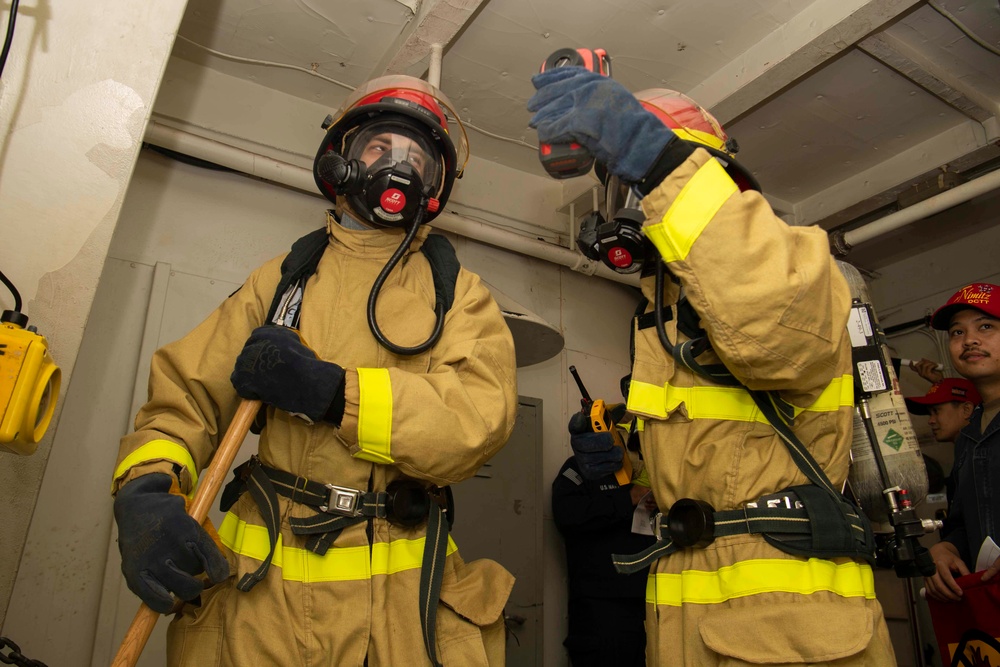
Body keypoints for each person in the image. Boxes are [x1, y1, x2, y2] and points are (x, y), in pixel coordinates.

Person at [110, 75, 518, 666]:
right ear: (342, 160)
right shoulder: (281, 281)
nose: (398, 166)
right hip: (259, 603)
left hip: (400, 610)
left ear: (435, 187)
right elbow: (185, 399)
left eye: (418, 159)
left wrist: (334, 396)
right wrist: (145, 492)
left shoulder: (460, 296)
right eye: (380, 148)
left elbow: (478, 422)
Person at [528, 70, 895, 664]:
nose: (636, 205)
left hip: (789, 627)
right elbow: (722, 453)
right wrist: (624, 462)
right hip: (688, 619)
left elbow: (771, 331)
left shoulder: (797, 265)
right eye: (625, 190)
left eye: (641, 185)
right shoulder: (660, 318)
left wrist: (657, 161)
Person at [552, 412, 656, 666]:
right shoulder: (583, 468)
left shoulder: (659, 476)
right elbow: (567, 516)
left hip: (652, 603)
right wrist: (627, 498)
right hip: (600, 609)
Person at [923, 283, 1000, 603]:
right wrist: (944, 548)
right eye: (957, 333)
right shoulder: (969, 437)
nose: (969, 340)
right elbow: (967, 524)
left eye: (986, 327)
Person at [904, 377, 981, 503]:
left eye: (936, 411)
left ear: (966, 410)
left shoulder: (981, 459)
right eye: (930, 413)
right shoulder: (965, 456)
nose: (931, 420)